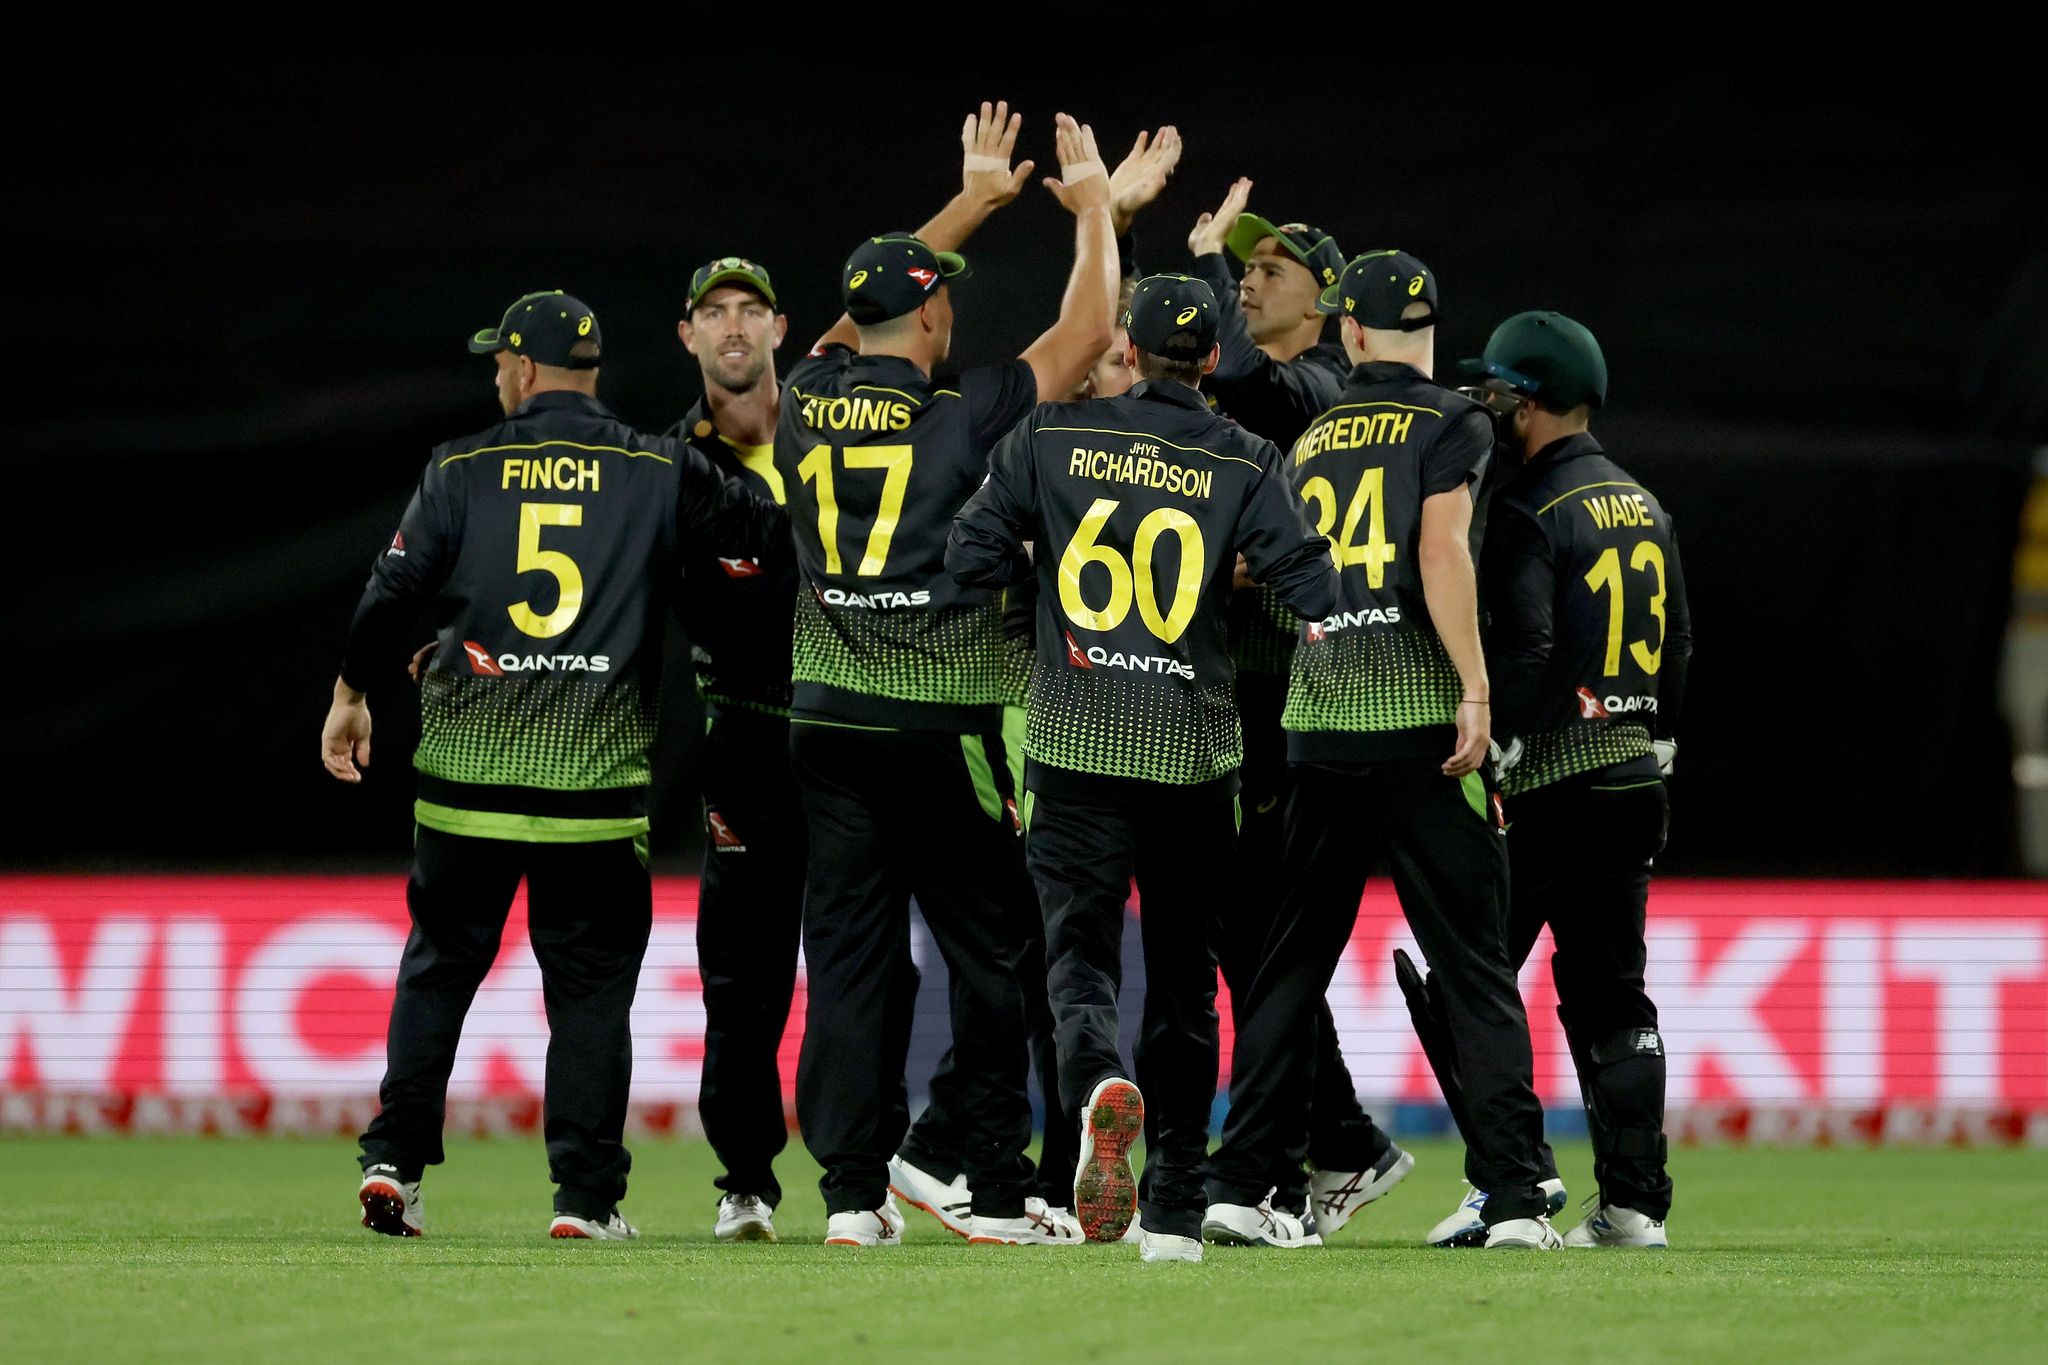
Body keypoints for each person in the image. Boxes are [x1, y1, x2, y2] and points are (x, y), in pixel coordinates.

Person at [321, 291, 786, 1241]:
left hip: (466, 780)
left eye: (500, 362)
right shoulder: (659, 465)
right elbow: (762, 539)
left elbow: (392, 589)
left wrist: (352, 691)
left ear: (524, 370)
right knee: (590, 992)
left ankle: (394, 1160)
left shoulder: (460, 465)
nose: (497, 376)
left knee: (439, 969)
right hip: (595, 790)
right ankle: (585, 1198)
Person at [775, 108, 1119, 1248]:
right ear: (930, 314)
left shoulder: (803, 395)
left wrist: (966, 204)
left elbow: (845, 321)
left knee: (849, 959)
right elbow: (1085, 334)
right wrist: (1094, 213)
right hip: (942, 726)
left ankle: (850, 1196)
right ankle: (992, 1185)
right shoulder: (962, 414)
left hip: (825, 718)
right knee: (993, 953)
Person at [949, 273, 1338, 1263]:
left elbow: (967, 557)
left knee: (1076, 960)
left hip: (1074, 745)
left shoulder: (1047, 436)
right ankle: (1173, 1209)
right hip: (1193, 757)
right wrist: (1234, 564)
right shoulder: (1245, 457)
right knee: (1184, 986)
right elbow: (1313, 588)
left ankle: (1094, 1081)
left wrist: (1046, 555)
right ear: (1212, 359)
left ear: (1127, 346)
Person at [1202, 252, 1560, 1250]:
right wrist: (1476, 686)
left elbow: (1274, 571)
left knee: (1287, 966)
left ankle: (1241, 1185)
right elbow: (1441, 548)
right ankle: (1513, 1195)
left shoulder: (1310, 437)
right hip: (1421, 730)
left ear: (1350, 332)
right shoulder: (1455, 421)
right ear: (1428, 329)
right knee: (1472, 965)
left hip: (1318, 728)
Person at [890, 123, 1183, 1236]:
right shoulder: (1037, 443)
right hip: (1035, 721)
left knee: (1052, 960)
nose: (1125, 368)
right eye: (1112, 361)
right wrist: (1100, 219)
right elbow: (1092, 330)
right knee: (1036, 954)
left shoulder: (1118, 451)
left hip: (1109, 732)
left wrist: (1117, 225)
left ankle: (994, 1158)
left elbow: (1120, 331)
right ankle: (977, 1156)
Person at [1186, 188, 1409, 1231]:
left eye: (1271, 270)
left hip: (1295, 697)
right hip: (1239, 694)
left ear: (1325, 306)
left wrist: (1200, 271)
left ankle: (1281, 1168)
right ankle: (1343, 1143)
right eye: (1243, 268)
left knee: (1265, 941)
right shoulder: (1245, 398)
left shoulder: (1321, 386)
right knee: (1250, 941)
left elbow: (1249, 380)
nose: (1250, 280)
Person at [1466, 310, 1691, 1248]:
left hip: (1551, 784)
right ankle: (1636, 1205)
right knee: (1614, 998)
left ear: (1529, 402)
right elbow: (1678, 645)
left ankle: (1511, 1187)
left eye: (1496, 394)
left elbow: (1527, 649)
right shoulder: (1644, 502)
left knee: (1469, 982)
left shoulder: (1530, 506)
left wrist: (1500, 740)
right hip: (1634, 779)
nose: (1487, 410)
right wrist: (1654, 738)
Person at [657, 255, 806, 1243]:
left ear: (781, 328)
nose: (734, 326)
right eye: (714, 313)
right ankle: (745, 1181)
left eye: (751, 309)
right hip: (747, 739)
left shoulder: (839, 428)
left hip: (857, 728)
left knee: (871, 966)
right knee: (742, 981)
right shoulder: (673, 466)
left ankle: (865, 1175)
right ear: (688, 335)